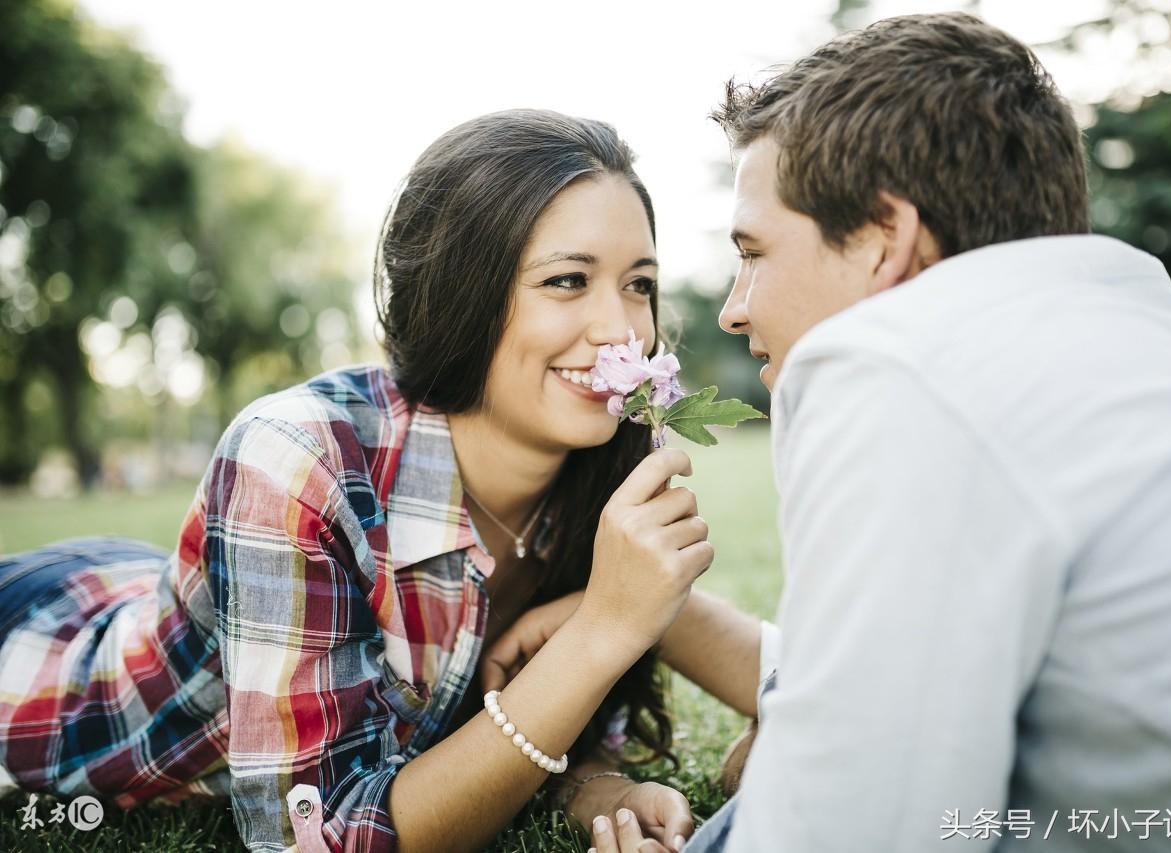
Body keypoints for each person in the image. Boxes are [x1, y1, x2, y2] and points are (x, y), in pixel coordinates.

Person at [581, 12, 1171, 852]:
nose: (735, 308)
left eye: (754, 251)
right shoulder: (1168, 336)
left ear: (886, 238)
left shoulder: (893, 366)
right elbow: (898, 680)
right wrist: (647, 621)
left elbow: (854, 826)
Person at [0, 109, 734, 852]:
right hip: (40, 669)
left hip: (135, 575)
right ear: (460, 294)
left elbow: (507, 730)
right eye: (568, 280)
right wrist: (602, 628)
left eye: (639, 284)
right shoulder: (293, 456)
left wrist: (595, 783)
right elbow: (312, 836)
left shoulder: (598, 462)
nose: (622, 330)